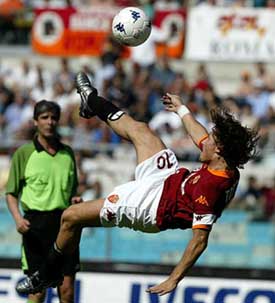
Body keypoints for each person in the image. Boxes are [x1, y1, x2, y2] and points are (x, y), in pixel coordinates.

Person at [16, 72, 259, 297]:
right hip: (169, 179)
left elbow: (199, 240)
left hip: (150, 207)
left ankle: (46, 274)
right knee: (142, 131)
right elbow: (200, 135)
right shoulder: (222, 163)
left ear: (219, 150)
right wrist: (182, 109)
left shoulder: (211, 186)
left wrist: (174, 279)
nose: (204, 141)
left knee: (71, 216)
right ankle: (92, 101)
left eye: (211, 141)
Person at [6, 100, 81, 303]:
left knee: (66, 290)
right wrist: (17, 219)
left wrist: (76, 198)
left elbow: (73, 189)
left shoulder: (68, 153)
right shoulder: (24, 153)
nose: (50, 122)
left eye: (54, 118)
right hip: (36, 226)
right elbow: (11, 193)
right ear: (35, 122)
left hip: (65, 224)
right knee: (38, 290)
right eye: (44, 117)